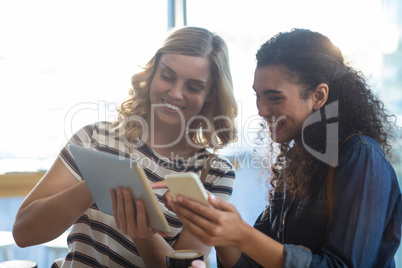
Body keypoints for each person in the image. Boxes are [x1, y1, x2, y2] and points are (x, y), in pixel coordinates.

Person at [167, 29, 402, 267]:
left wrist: (242, 235)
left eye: (275, 98)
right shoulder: (299, 164)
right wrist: (217, 228)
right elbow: (251, 263)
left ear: (318, 96)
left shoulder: (361, 156)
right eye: (258, 96)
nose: (261, 110)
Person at [12, 26, 238, 267]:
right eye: (167, 76)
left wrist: (143, 232)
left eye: (193, 87)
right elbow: (24, 234)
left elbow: (187, 263)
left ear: (212, 94)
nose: (175, 93)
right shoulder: (94, 138)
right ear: (153, 73)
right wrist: (96, 183)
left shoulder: (213, 173)